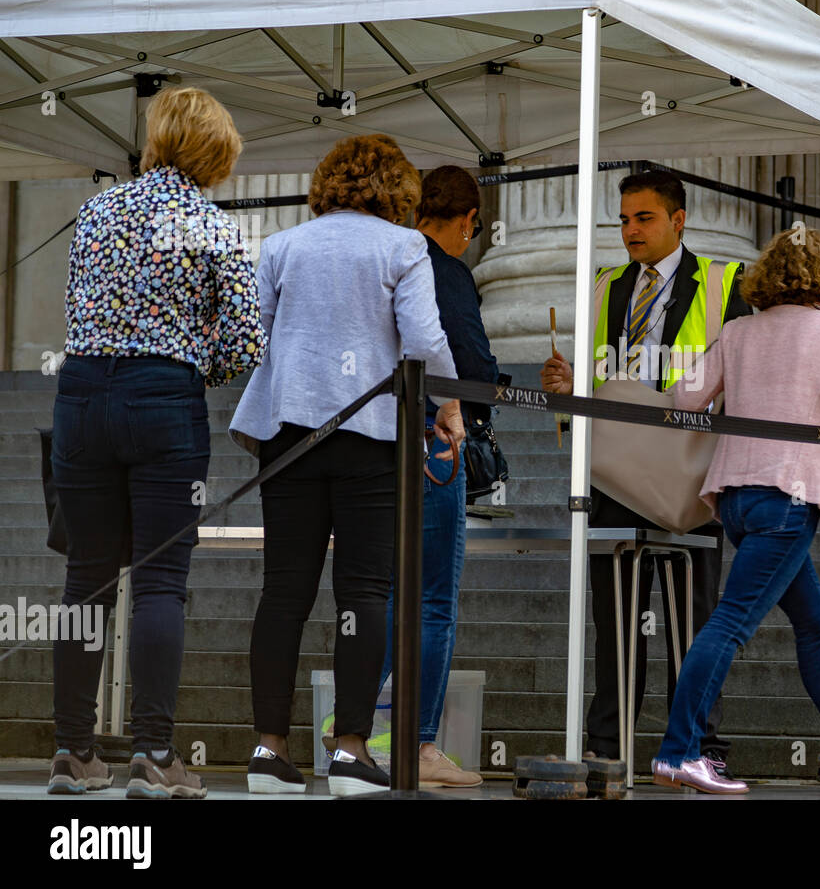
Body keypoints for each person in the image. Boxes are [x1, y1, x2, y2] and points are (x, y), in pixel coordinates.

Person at [48, 86, 265, 798]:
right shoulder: (210, 223)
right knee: (160, 582)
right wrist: (190, 349)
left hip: (81, 394)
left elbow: (82, 301)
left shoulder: (100, 209)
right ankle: (153, 753)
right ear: (214, 153)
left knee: (86, 578)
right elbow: (242, 343)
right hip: (163, 401)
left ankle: (73, 753)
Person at [229, 134, 462, 796]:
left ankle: (268, 751)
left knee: (284, 592)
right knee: (362, 594)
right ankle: (350, 751)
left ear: (328, 183)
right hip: (369, 436)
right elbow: (422, 339)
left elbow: (256, 338)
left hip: (290, 434)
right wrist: (447, 406)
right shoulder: (403, 246)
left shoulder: (281, 246)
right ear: (398, 191)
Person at [651, 227, 820, 794]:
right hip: (790, 499)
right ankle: (678, 753)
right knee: (729, 625)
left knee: (815, 628)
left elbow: (686, 399)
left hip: (737, 501)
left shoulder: (738, 330)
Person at [540, 170, 749, 777]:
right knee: (616, 626)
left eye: (644, 218)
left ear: (678, 220)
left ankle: (699, 747)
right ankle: (609, 750)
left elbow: (743, 376)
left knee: (694, 624)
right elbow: (607, 382)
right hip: (617, 476)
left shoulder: (722, 281)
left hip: (688, 473)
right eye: (624, 219)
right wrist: (569, 388)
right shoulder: (607, 285)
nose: (630, 230)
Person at [375, 165, 498, 787]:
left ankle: (362, 736)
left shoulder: (386, 256)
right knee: (431, 601)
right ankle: (418, 746)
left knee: (383, 594)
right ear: (467, 221)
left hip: (373, 448)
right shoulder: (443, 269)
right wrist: (495, 384)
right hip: (431, 446)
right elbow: (470, 364)